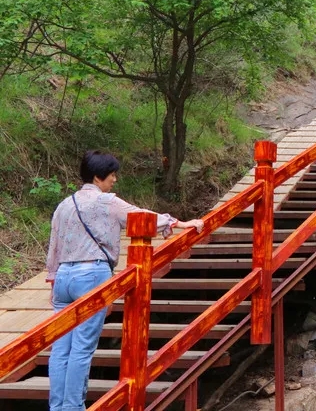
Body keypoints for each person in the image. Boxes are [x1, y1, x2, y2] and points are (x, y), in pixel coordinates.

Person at [46, 151, 204, 411]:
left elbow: (54, 247)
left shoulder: (64, 205)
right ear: (98, 177)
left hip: (63, 277)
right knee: (82, 348)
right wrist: (179, 223)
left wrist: (53, 280)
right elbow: (141, 216)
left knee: (61, 347)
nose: (114, 180)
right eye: (111, 175)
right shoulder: (106, 202)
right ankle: (73, 407)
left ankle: (58, 407)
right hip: (91, 274)